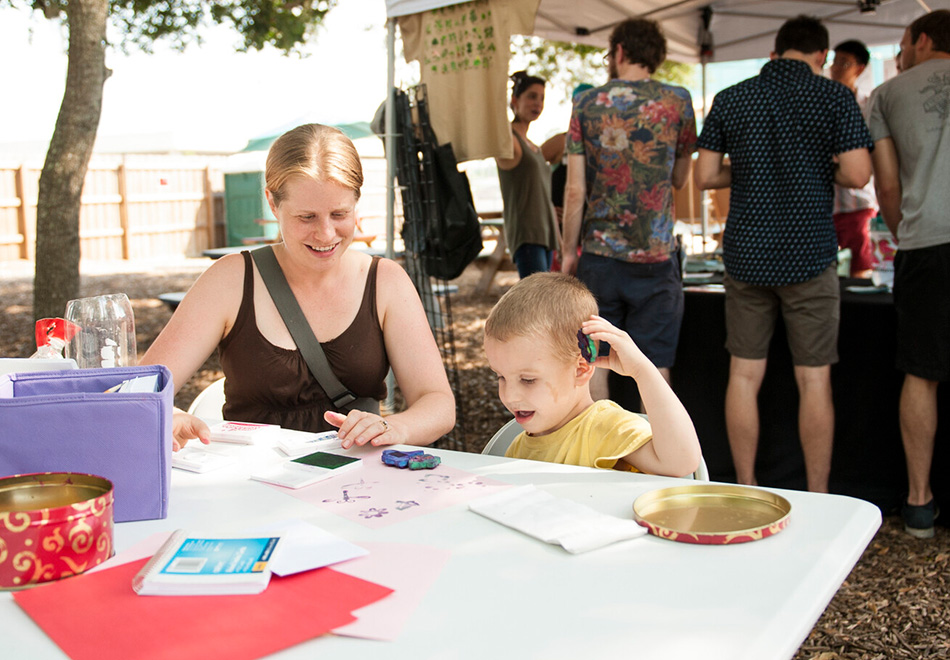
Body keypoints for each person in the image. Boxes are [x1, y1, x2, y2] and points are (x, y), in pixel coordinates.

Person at [141, 123, 456, 452]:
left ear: (357, 204)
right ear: (273, 204)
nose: (326, 234)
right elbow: (139, 388)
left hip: (359, 482)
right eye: (306, 217)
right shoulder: (230, 280)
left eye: (340, 213)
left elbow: (437, 404)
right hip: (251, 483)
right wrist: (169, 415)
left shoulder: (386, 281)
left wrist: (395, 427)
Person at [694, 15, 873, 493]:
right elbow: (858, 175)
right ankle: (817, 494)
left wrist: (752, 165)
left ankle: (747, 484)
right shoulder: (835, 96)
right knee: (814, 381)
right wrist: (816, 164)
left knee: (744, 375)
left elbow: (707, 175)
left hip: (747, 255)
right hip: (809, 255)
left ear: (775, 51)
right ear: (820, 55)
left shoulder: (732, 98)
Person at [560, 17, 696, 401]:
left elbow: (574, 190)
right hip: (656, 257)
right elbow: (682, 177)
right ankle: (659, 457)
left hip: (601, 257)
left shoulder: (587, 104)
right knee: (654, 367)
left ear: (619, 51)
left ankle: (596, 459)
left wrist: (569, 253)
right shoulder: (678, 101)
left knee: (594, 360)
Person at [483, 272, 701, 477]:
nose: (509, 396)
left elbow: (681, 463)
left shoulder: (603, 427)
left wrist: (641, 371)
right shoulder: (519, 447)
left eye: (528, 380)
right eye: (500, 377)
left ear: (581, 369)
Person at [866, 9, 950, 538]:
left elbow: (887, 187)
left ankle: (919, 502)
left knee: (921, 372)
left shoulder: (889, 95)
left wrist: (902, 231)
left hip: (927, 243)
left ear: (922, 40)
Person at [495, 71, 560, 279]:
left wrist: (559, 239)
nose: (538, 103)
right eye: (532, 96)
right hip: (527, 235)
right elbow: (493, 121)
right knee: (537, 306)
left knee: (545, 304)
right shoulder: (510, 140)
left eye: (541, 98)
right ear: (515, 100)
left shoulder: (534, 147)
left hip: (546, 235)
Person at [829, 39, 878, 279]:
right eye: (834, 61)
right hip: (822, 205)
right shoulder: (819, 103)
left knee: (860, 271)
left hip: (857, 203)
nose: (836, 67)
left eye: (844, 62)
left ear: (859, 68)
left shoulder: (868, 106)